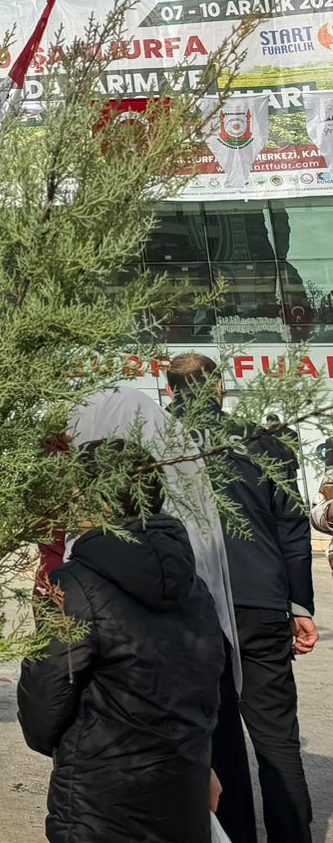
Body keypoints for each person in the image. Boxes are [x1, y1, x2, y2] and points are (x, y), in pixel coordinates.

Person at [18, 442, 227, 843]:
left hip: (99, 799)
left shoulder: (75, 585)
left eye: (75, 491)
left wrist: (73, 748)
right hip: (181, 790)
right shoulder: (193, 585)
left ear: (99, 501)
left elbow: (44, 697)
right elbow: (204, 684)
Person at [168, 354, 318, 843]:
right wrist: (299, 605)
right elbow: (293, 529)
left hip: (193, 606)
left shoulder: (157, 444)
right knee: (277, 737)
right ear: (219, 389)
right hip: (263, 602)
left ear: (170, 392)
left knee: (216, 737)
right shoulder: (265, 442)